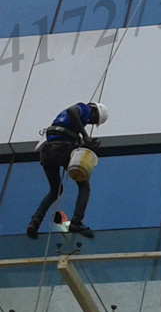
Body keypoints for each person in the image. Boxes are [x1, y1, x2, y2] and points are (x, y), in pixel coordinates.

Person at [26, 102, 108, 240]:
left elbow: (66, 135)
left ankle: (35, 222)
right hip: (61, 150)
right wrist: (86, 137)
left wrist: (86, 143)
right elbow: (72, 111)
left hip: (47, 153)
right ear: (94, 110)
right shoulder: (84, 108)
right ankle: (76, 222)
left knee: (55, 190)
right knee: (84, 186)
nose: (91, 123)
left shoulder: (67, 122)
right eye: (94, 120)